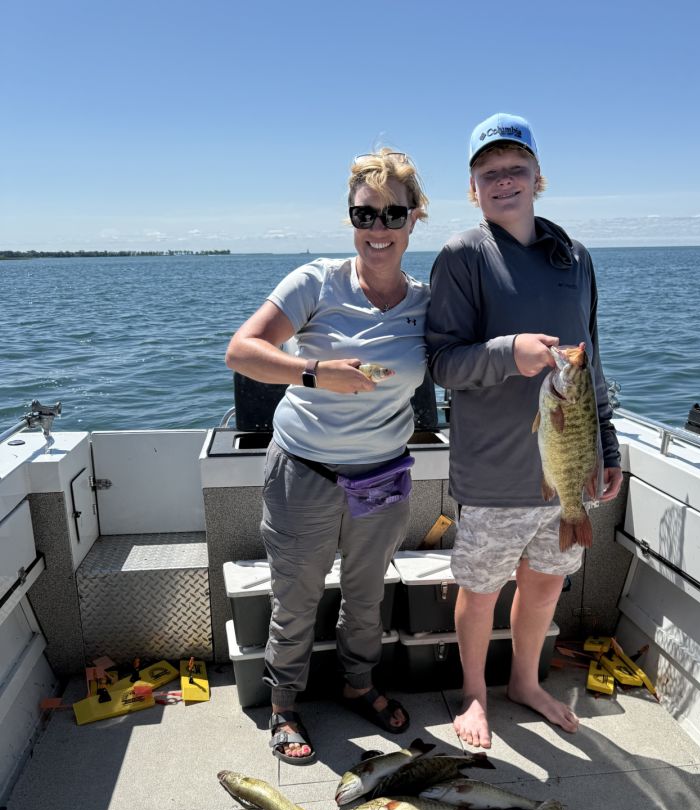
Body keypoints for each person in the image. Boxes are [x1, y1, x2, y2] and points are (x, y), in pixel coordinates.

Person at [426, 112, 623, 750]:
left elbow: (591, 357)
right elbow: (442, 363)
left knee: (544, 586)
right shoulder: (462, 256)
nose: (504, 181)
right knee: (481, 589)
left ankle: (525, 681)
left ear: (539, 177)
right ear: (473, 187)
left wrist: (607, 443)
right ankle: (474, 692)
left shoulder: (575, 257)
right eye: (489, 173)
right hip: (492, 470)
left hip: (567, 468)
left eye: (516, 169)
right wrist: (509, 352)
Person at [225, 149, 429, 764]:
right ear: (351, 219)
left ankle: (357, 683)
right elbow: (242, 350)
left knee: (367, 597)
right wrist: (314, 371)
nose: (378, 228)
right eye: (365, 215)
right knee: (296, 597)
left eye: (393, 214)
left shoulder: (428, 302)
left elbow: (473, 358)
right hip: (304, 472)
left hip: (383, 477)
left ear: (415, 219)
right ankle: (285, 702)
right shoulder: (316, 282)